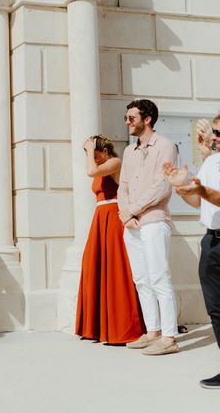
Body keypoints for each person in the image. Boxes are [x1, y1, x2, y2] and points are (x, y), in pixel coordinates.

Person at [118, 99, 179, 355]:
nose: (128, 122)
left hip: (154, 220)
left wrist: (133, 209)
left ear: (147, 119)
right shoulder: (129, 152)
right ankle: (152, 331)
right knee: (141, 279)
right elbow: (123, 186)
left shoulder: (165, 146)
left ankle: (169, 337)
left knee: (159, 277)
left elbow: (162, 186)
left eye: (132, 117)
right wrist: (125, 214)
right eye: (126, 118)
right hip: (131, 223)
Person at [163, 113, 220, 388]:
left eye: (219, 133)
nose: (214, 138)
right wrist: (182, 188)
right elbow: (200, 203)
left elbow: (213, 196)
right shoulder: (211, 162)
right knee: (217, 310)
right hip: (211, 243)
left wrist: (201, 190)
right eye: (215, 132)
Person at [75, 135, 144, 344]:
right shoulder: (101, 163)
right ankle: (95, 327)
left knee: (115, 268)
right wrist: (90, 152)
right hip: (99, 218)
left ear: (105, 152)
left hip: (113, 217)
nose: (92, 159)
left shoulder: (115, 162)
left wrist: (90, 151)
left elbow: (91, 172)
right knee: (93, 265)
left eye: (95, 155)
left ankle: (122, 327)